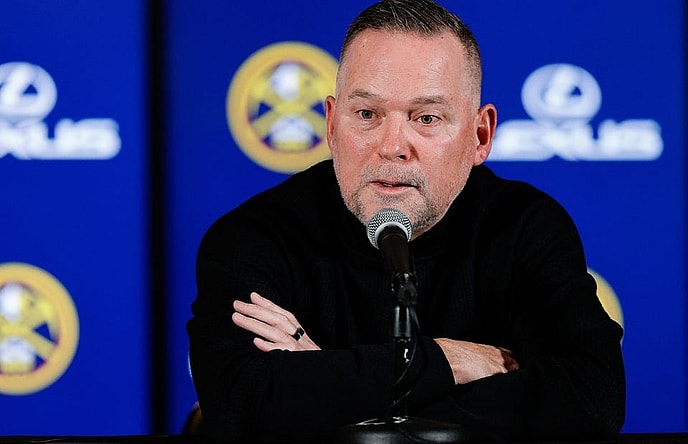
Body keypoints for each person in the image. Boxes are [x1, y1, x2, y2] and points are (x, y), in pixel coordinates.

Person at [187, 0, 625, 442]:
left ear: (480, 136)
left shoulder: (524, 227)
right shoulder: (256, 237)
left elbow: (591, 400)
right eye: (367, 114)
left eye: (426, 118)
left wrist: (329, 387)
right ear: (332, 124)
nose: (392, 146)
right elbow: (240, 405)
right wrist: (447, 363)